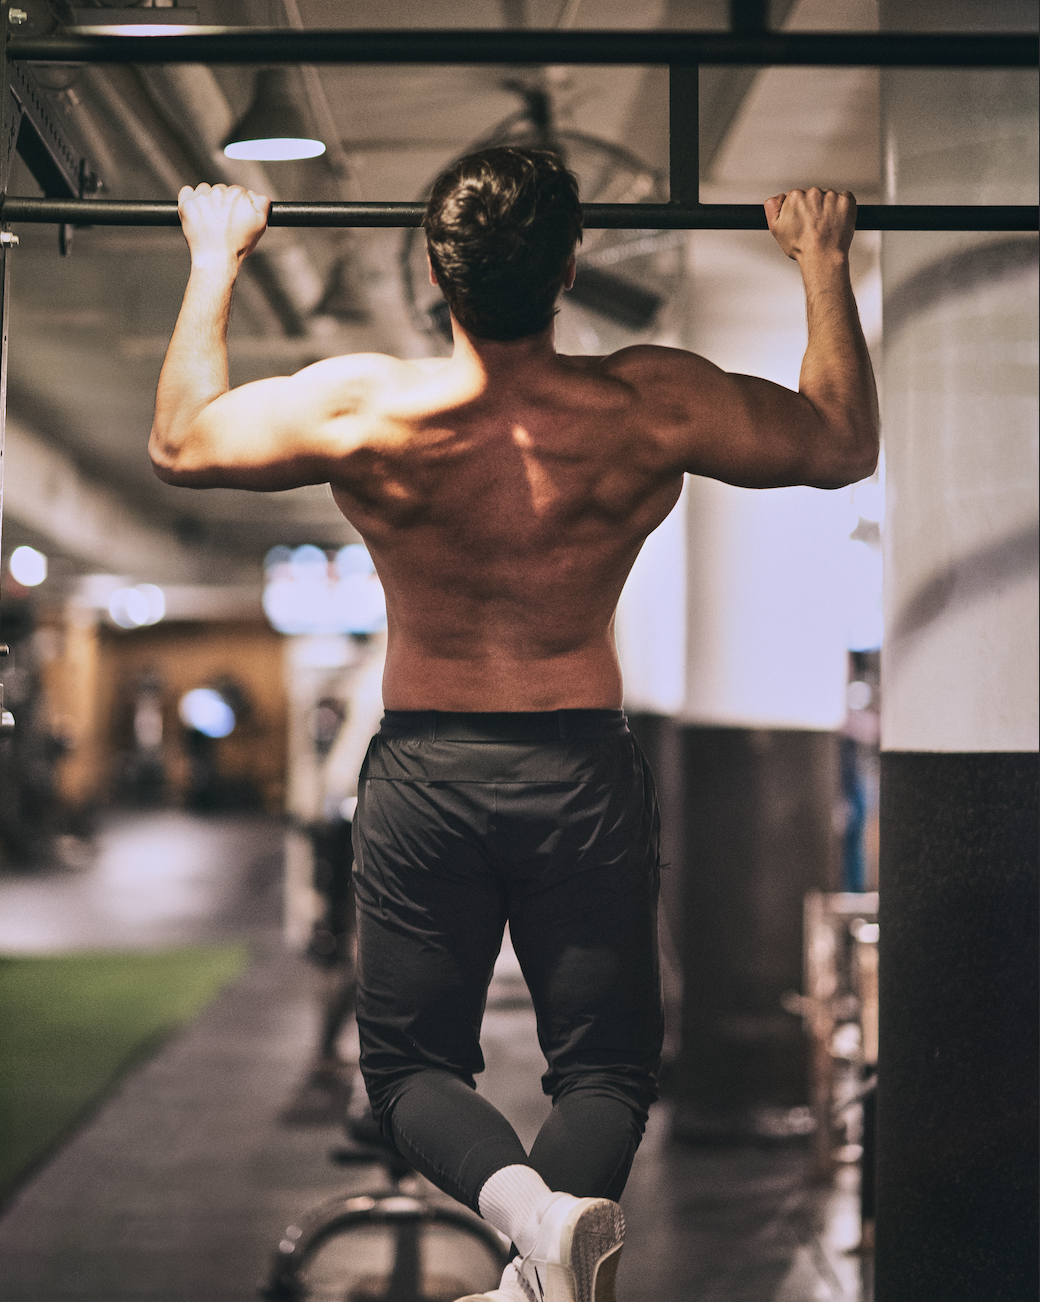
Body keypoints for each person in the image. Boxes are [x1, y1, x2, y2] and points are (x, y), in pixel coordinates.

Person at [150, 146, 878, 1302]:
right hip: (579, 767)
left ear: (439, 277)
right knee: (606, 1074)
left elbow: (181, 440)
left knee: (404, 1073)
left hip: (427, 772)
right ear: (571, 264)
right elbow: (841, 443)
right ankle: (538, 1255)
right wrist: (821, 262)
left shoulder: (368, 407)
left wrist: (214, 259)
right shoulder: (650, 404)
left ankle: (531, 1235)